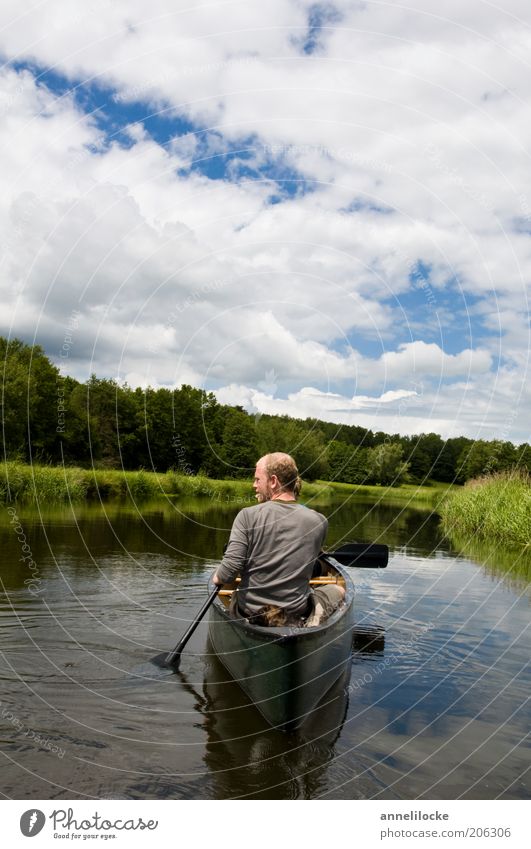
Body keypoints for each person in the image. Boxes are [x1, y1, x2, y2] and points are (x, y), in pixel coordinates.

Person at [213, 452, 345, 626]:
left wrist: (216, 578)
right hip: (294, 615)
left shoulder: (247, 516)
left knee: (229, 587)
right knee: (339, 589)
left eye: (257, 479)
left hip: (250, 612)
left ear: (273, 481)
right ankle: (309, 626)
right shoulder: (319, 521)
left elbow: (228, 573)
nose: (254, 485)